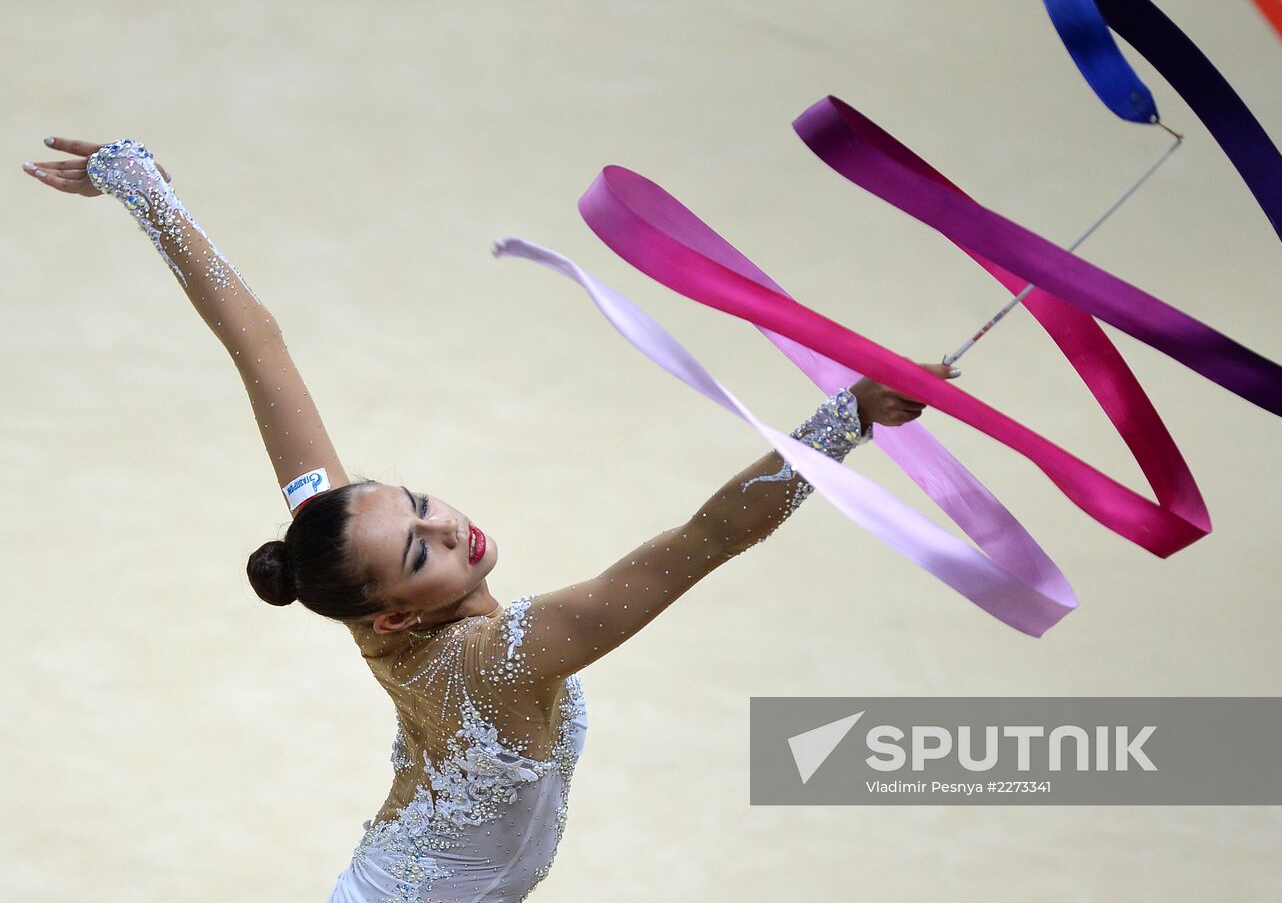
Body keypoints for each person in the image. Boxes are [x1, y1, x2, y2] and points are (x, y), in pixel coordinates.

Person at [22, 136, 958, 903]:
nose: (449, 530)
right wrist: (844, 420)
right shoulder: (507, 653)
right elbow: (703, 543)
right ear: (392, 613)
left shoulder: (337, 561)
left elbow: (256, 343)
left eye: (423, 508)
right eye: (422, 552)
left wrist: (144, 188)